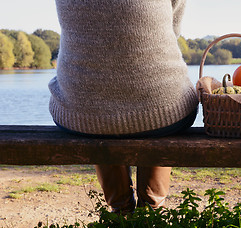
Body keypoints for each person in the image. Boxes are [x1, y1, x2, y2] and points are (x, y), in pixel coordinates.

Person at [49, 0, 198, 214]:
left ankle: (121, 212)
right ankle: (151, 211)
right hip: (164, 110)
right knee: (162, 103)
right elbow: (173, 27)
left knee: (96, 112)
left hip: (83, 112)